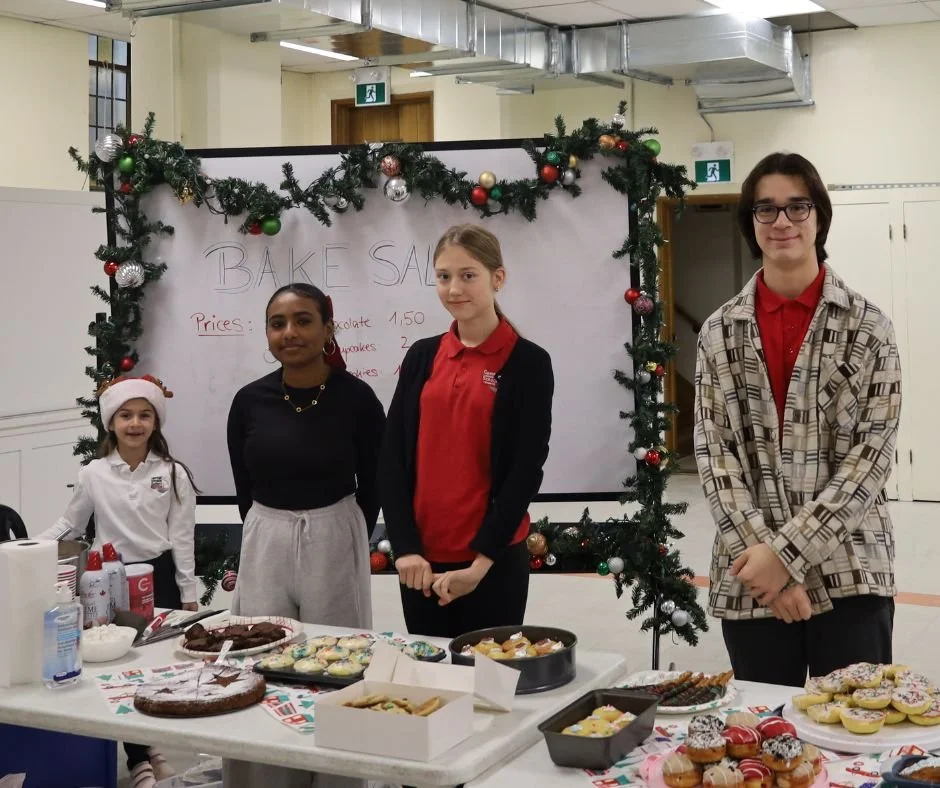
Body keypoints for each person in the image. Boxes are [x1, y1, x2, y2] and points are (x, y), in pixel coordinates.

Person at [694, 152, 901, 687]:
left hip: (850, 569)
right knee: (763, 750)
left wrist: (786, 557)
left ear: (819, 217)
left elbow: (870, 458)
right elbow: (716, 458)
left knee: (855, 740)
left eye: (797, 206)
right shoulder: (719, 332)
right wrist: (770, 573)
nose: (782, 221)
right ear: (751, 223)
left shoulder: (869, 327)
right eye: (766, 209)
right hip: (750, 573)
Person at [224, 283, 384, 788]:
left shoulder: (356, 398)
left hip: (335, 532)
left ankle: (338, 777)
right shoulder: (249, 401)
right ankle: (268, 776)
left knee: (338, 662)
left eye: (303, 320)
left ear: (327, 328)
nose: (289, 332)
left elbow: (375, 480)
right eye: (278, 323)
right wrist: (268, 529)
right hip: (266, 534)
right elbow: (243, 485)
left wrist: (342, 530)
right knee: (260, 660)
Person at [379, 223, 554, 638]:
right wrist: (405, 550)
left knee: (489, 690)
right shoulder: (423, 355)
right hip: (420, 564)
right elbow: (391, 459)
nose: (454, 288)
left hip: (491, 560)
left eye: (467, 275)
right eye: (443, 277)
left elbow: (525, 471)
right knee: (432, 687)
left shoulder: (528, 362)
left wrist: (480, 564)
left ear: (498, 278)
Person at [41, 374, 198, 788]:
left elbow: (182, 537)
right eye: (125, 415)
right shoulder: (93, 473)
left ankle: (155, 745)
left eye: (144, 415)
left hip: (158, 576)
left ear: (155, 423)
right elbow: (70, 524)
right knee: (121, 668)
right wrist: (33, 546)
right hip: (108, 581)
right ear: (110, 422)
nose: (135, 423)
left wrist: (189, 594)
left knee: (157, 666)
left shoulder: (173, 473)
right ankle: (138, 759)